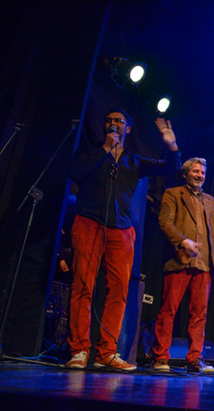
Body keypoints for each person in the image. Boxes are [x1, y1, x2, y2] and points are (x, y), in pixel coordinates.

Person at [66, 108, 181, 370]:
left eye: (119, 121)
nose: (113, 124)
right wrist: (104, 149)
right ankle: (79, 350)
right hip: (89, 222)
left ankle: (106, 353)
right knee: (83, 285)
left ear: (128, 129)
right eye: (109, 120)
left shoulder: (133, 161)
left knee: (118, 291)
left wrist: (172, 147)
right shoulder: (91, 150)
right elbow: (75, 172)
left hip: (122, 229)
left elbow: (170, 172)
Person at [151, 157, 214, 373]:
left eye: (202, 172)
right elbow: (165, 222)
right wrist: (182, 241)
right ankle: (160, 357)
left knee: (199, 313)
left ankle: (195, 358)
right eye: (195, 171)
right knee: (169, 310)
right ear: (185, 174)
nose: (199, 175)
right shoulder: (173, 193)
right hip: (179, 260)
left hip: (204, 263)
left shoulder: (211, 201)